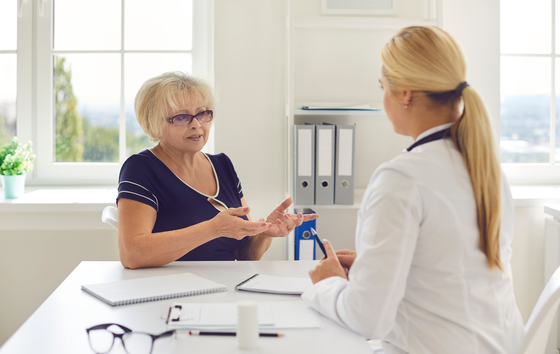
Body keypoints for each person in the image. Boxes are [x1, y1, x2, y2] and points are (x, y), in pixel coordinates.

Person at [302, 26, 525, 354]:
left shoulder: (400, 179)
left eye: (383, 87)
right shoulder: (487, 169)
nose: (384, 97)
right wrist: (372, 265)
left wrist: (328, 283)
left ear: (404, 92)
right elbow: (451, 266)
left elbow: (368, 318)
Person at [117, 71, 316, 269]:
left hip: (226, 288)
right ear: (155, 122)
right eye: (182, 117)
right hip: (172, 291)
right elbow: (133, 254)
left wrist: (264, 232)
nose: (196, 125)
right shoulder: (141, 168)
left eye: (202, 114)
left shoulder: (222, 165)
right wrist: (213, 229)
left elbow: (246, 255)